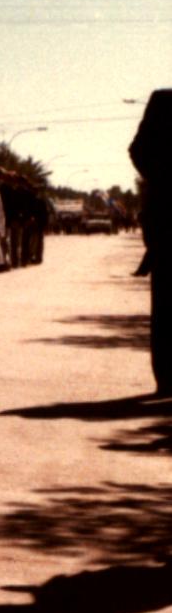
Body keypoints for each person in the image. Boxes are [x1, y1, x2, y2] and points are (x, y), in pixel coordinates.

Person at [129, 90, 171, 393]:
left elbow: (138, 151)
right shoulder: (163, 101)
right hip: (167, 220)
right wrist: (163, 179)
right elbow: (138, 150)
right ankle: (167, 378)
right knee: (167, 301)